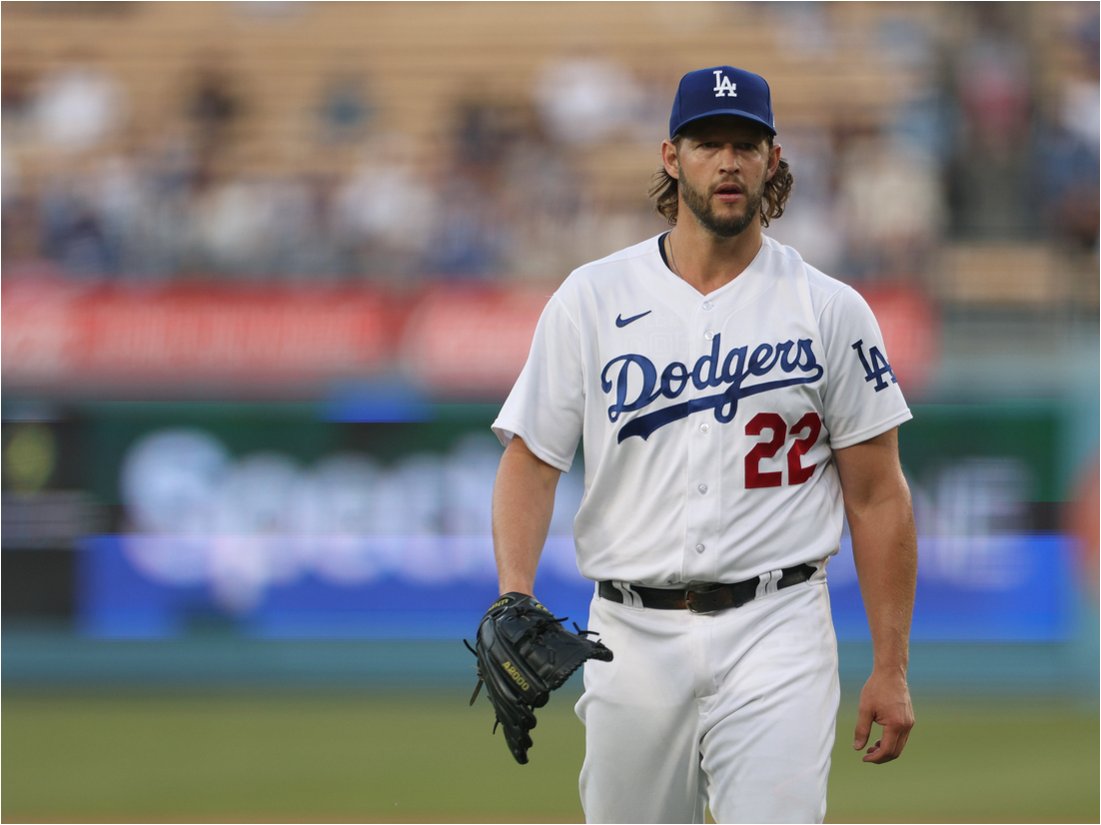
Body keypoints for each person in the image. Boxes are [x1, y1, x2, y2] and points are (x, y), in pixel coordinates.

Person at [489, 65, 917, 824]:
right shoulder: (592, 297)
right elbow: (531, 459)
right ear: (671, 156)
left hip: (777, 626)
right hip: (629, 632)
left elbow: (878, 495)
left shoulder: (829, 309)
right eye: (707, 143)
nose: (728, 161)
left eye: (745, 145)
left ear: (772, 159)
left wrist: (891, 666)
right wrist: (514, 592)